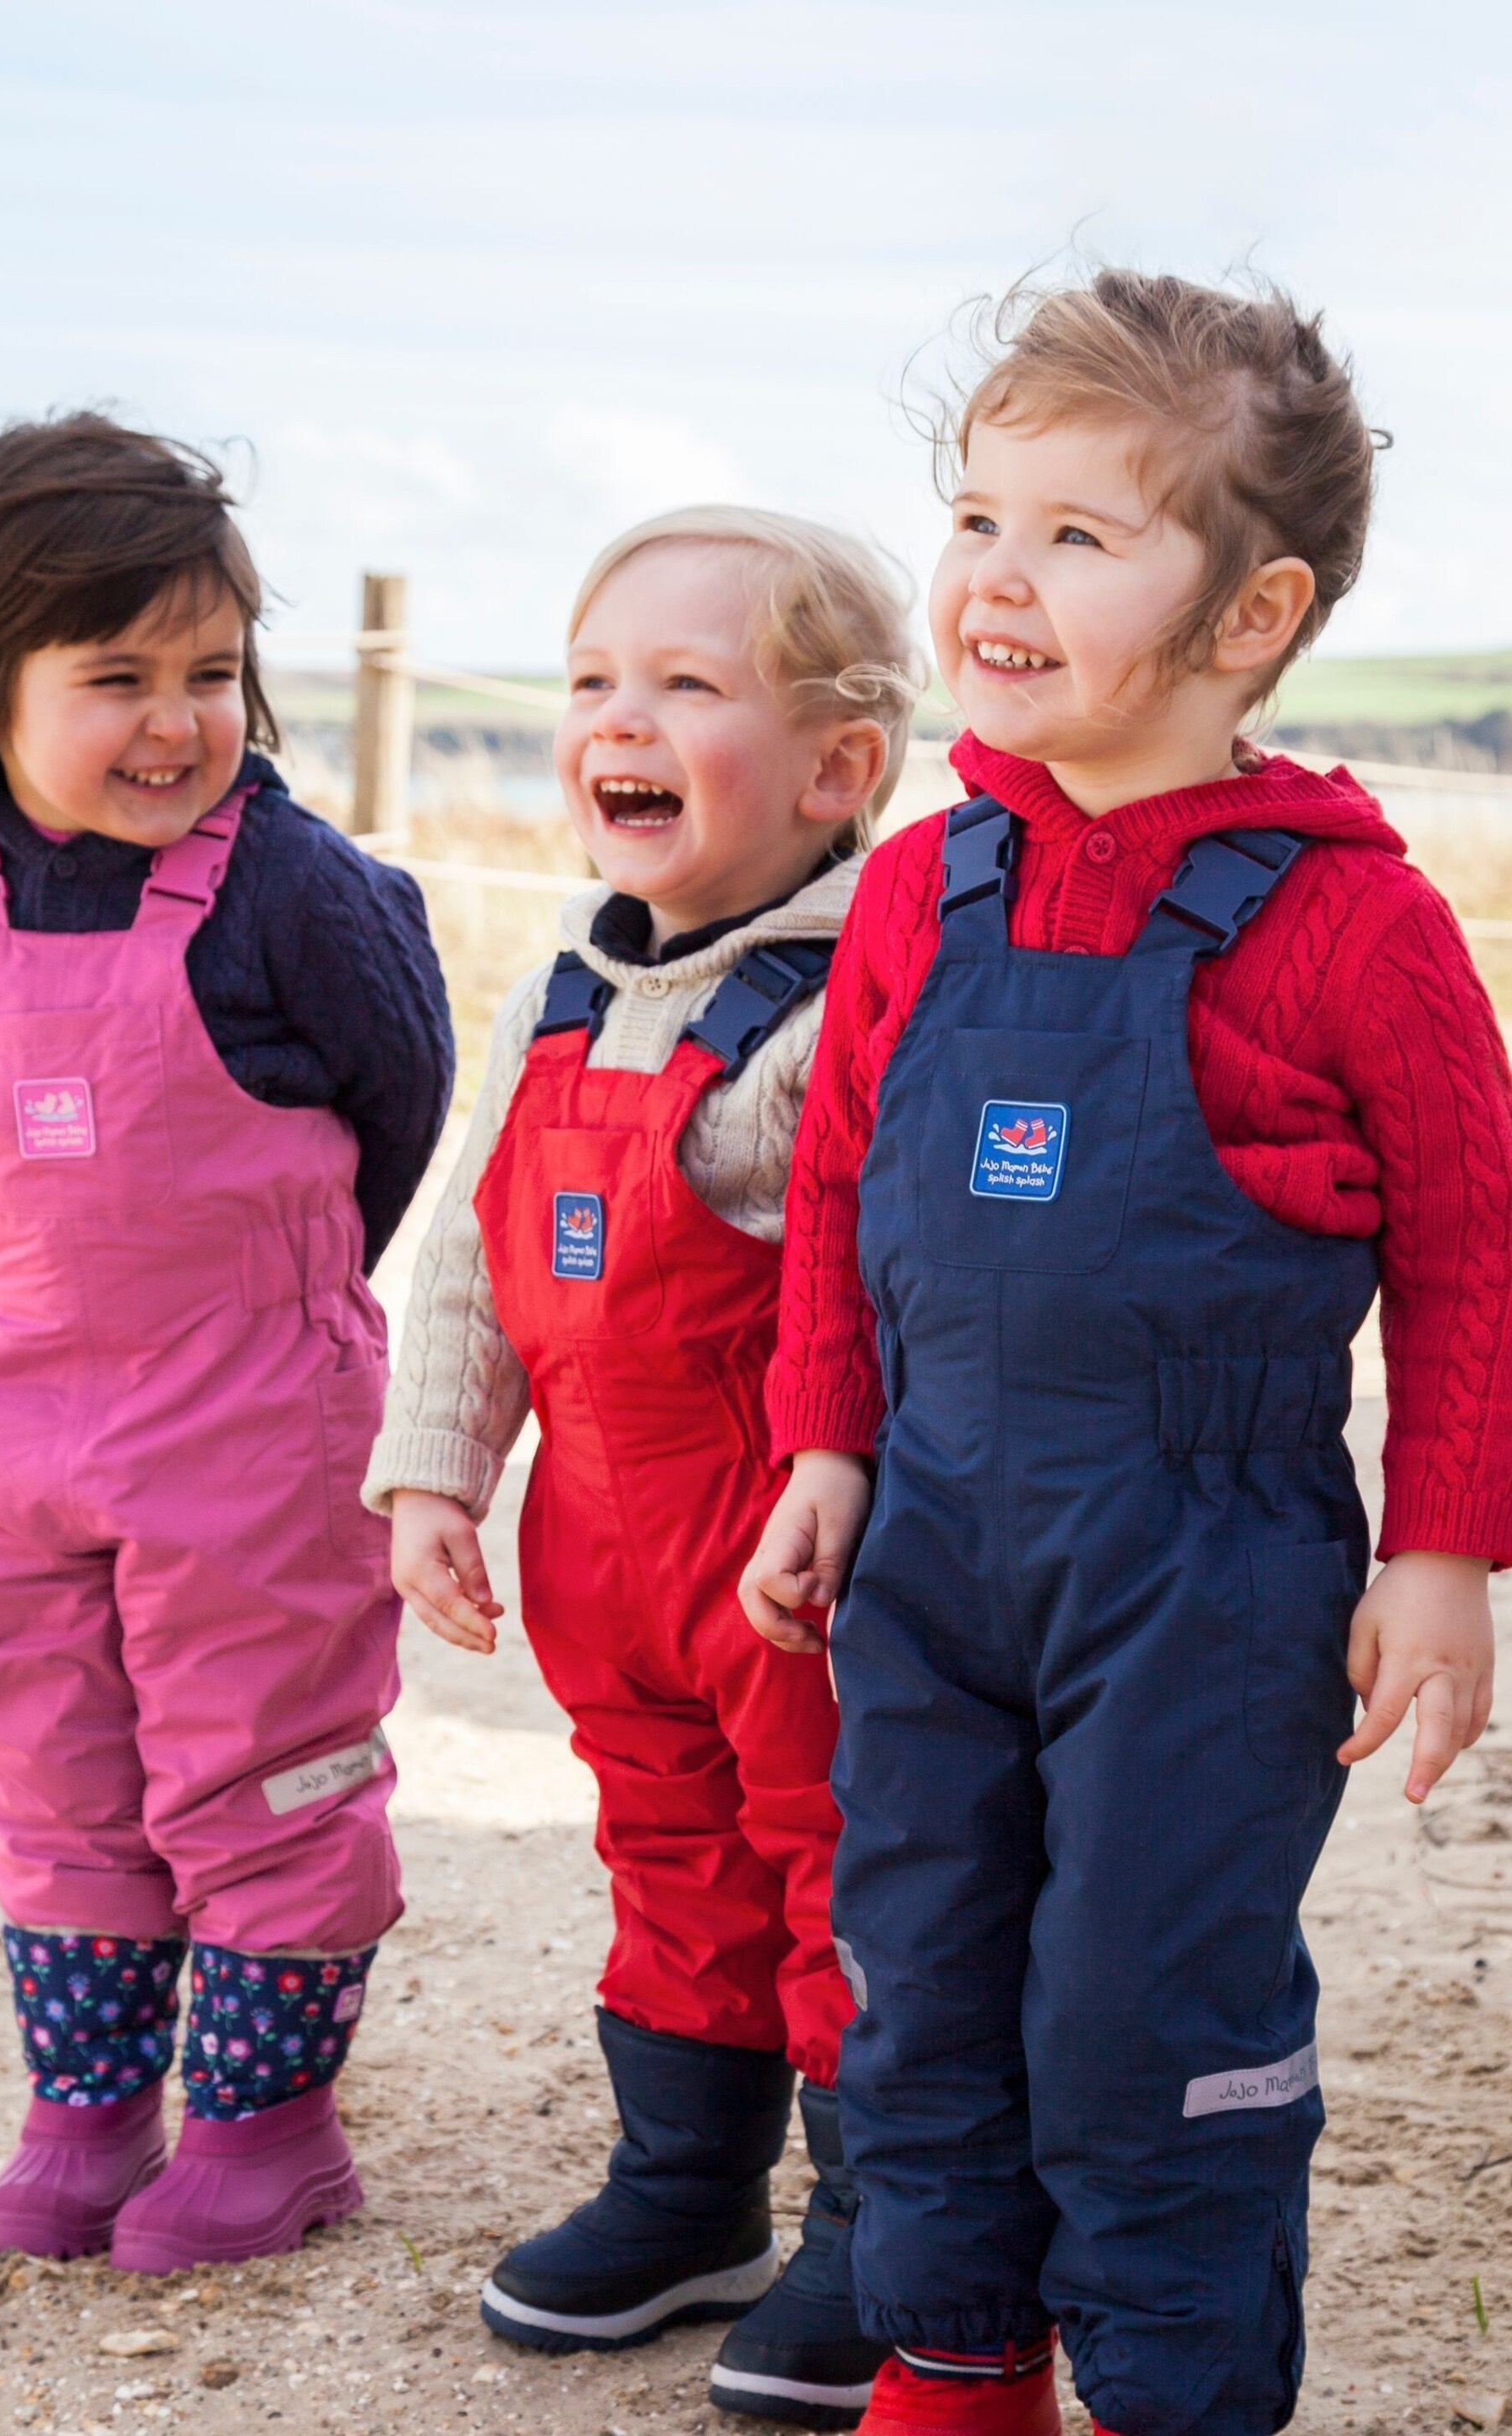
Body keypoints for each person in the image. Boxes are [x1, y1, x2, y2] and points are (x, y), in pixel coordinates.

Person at [742, 272, 1512, 2436]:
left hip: (1206, 1563)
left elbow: (1477, 1248)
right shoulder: (920, 890)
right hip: (936, 1549)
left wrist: (1442, 1550)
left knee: (1145, 2015)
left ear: (1251, 614)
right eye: (979, 514)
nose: (997, 574)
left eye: (1080, 535)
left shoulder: (1353, 919)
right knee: (920, 1981)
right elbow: (832, 1194)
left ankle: (1175, 2388)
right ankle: (958, 2359)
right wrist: (827, 1444)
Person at [367, 507, 918, 2428]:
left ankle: (878, 2220)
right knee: (665, 1853)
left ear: (844, 769)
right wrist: (435, 1464)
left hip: (783, 1549)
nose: (624, 717)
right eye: (598, 679)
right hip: (596, 1533)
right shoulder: (563, 983)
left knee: (835, 1862)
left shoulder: (858, 993)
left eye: (692, 685)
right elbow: (473, 1250)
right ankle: (690, 2190)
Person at [0, 414, 454, 2273]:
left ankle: (271, 2123)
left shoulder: (286, 884)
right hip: (20, 1419)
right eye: (115, 677)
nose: (176, 722)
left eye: (211, 673)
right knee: (46, 1751)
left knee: (262, 1754)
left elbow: (397, 1084)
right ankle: (90, 2104)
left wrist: (284, 1286)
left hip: (256, 1423)